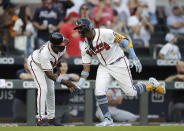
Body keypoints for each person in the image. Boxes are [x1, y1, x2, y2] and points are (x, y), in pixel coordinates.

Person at [74, 18, 166, 126]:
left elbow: (124, 41)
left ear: (88, 26)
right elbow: (86, 69)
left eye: (81, 27)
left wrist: (134, 57)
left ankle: (151, 85)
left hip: (118, 62)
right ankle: (108, 119)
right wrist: (79, 84)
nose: (79, 30)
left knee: (131, 93)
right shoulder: (85, 47)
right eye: (78, 28)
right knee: (99, 91)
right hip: (104, 66)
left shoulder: (105, 33)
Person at [27, 32, 78, 126]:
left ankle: (51, 118)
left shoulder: (61, 47)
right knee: (43, 89)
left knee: (51, 90)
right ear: (54, 46)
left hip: (48, 65)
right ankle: (41, 118)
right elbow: (50, 75)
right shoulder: (45, 53)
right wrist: (67, 83)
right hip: (35, 64)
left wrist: (58, 69)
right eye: (61, 45)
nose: (64, 46)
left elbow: (59, 58)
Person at [12, 58, 33, 122]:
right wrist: (38, 77)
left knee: (35, 122)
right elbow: (24, 76)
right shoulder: (20, 71)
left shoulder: (38, 71)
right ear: (25, 64)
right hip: (20, 101)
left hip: (33, 101)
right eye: (28, 63)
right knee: (19, 120)